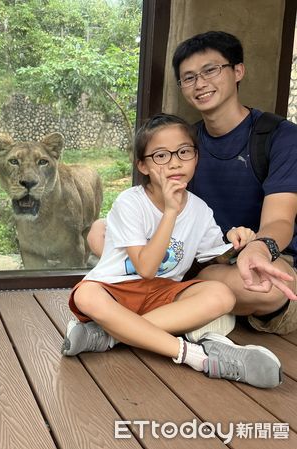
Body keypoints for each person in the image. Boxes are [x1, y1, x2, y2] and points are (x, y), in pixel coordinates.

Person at [62, 113, 282, 390]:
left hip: (161, 293)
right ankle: (199, 357)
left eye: (184, 152)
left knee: (222, 295)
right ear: (142, 165)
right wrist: (170, 211)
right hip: (114, 290)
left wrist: (239, 241)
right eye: (161, 156)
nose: (175, 162)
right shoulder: (130, 202)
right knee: (86, 294)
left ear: (195, 157)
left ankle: (110, 335)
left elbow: (216, 255)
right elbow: (145, 268)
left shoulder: (200, 209)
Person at [171, 31, 297, 335]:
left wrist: (259, 249)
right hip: (206, 260)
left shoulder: (280, 136)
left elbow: (280, 219)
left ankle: (188, 306)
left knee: (268, 286)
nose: (200, 83)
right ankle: (205, 308)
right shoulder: (184, 144)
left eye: (210, 70)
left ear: (237, 70)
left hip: (269, 256)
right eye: (188, 78)